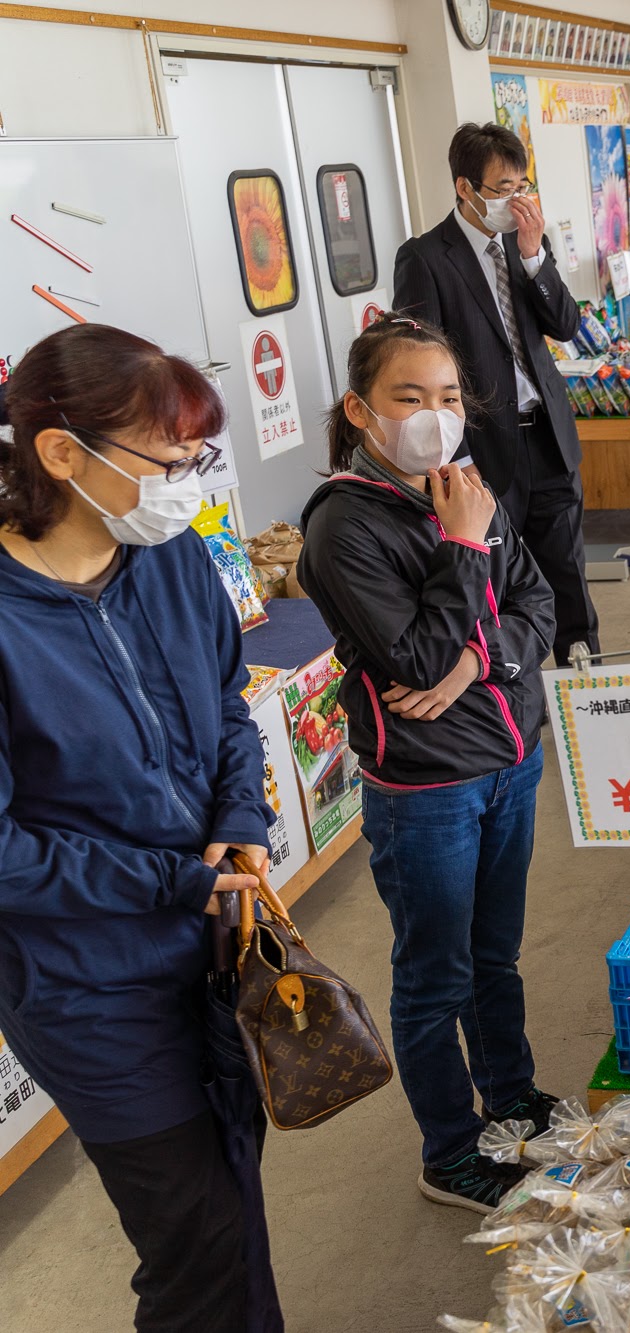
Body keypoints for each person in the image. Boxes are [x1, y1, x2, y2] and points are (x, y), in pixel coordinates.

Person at [0, 325, 279, 1330]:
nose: (187, 482)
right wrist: (175, 881)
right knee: (194, 1238)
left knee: (235, 1193)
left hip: (215, 948)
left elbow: (227, 709)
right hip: (88, 988)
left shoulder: (171, 562)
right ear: (61, 454)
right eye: (166, 460)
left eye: (195, 456)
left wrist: (238, 822)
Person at [296, 315, 560, 1212]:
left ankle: (513, 1098)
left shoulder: (465, 487)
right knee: (433, 973)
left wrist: (478, 663)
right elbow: (411, 659)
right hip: (427, 787)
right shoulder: (343, 524)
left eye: (448, 397)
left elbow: (536, 601)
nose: (434, 416)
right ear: (361, 410)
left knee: (497, 954)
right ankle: (449, 1150)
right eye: (410, 398)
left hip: (508, 757)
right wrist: (459, 550)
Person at [391, 121, 597, 666]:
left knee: (568, 573)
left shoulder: (528, 242)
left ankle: (588, 689)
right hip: (482, 449)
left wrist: (534, 258)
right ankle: (514, 695)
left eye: (522, 186)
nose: (517, 200)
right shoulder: (426, 257)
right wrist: (455, 458)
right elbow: (418, 364)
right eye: (503, 189)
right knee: (499, 580)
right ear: (466, 188)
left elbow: (566, 325)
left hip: (548, 436)